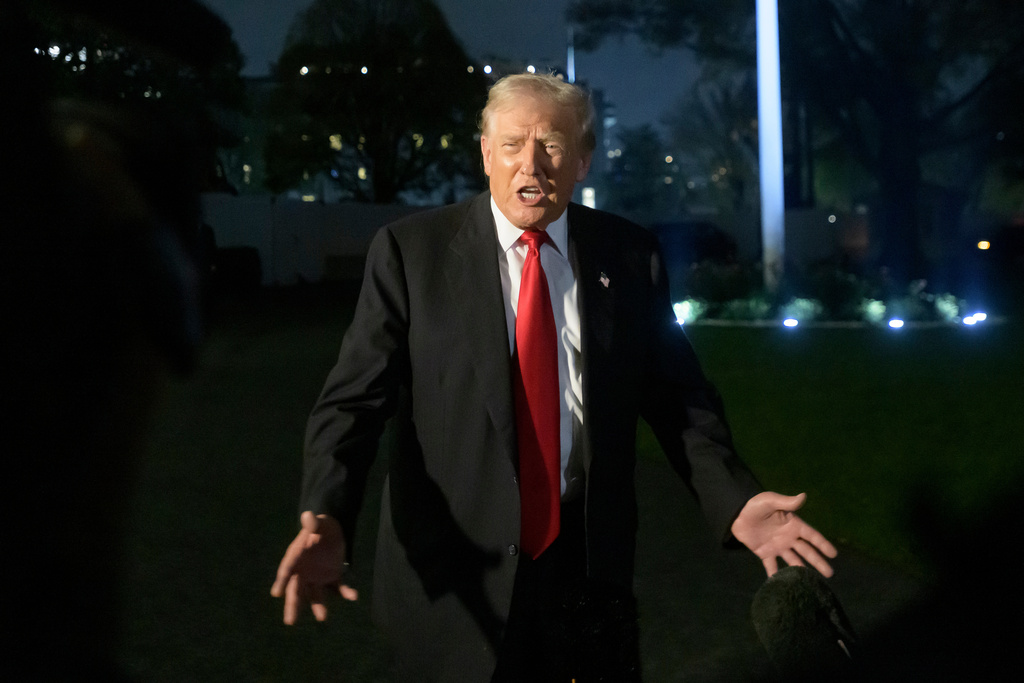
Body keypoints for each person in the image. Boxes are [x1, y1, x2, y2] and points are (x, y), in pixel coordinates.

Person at [271, 72, 837, 681]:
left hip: (587, 575)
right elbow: (352, 404)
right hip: (456, 578)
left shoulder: (629, 257)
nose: (531, 165)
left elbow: (679, 401)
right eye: (512, 144)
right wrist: (326, 512)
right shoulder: (412, 254)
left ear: (584, 160)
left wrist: (736, 499)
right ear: (485, 154)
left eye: (553, 146)